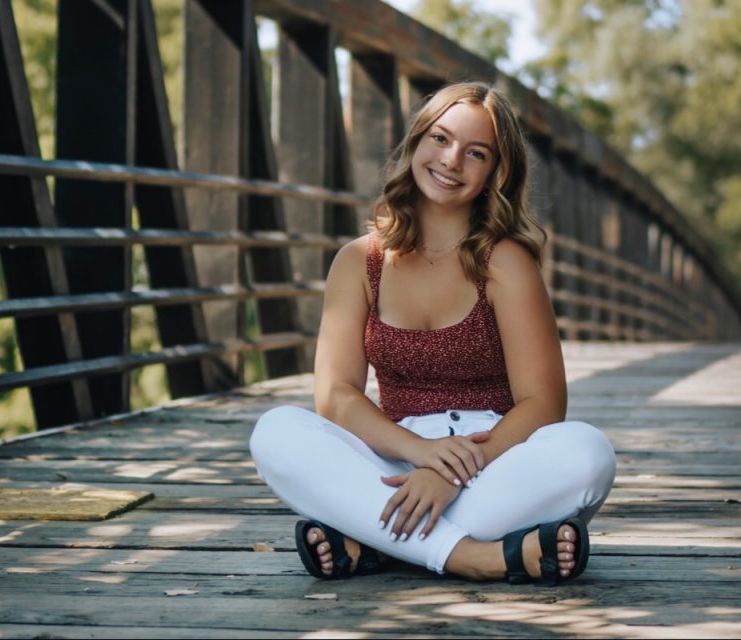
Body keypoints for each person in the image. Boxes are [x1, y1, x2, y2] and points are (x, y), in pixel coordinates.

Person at [250, 81, 616, 585]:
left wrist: (451, 471)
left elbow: (544, 404)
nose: (452, 161)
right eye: (440, 139)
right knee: (275, 433)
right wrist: (419, 454)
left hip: (492, 461)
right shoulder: (359, 262)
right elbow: (335, 397)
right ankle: (479, 557)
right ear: (417, 142)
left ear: (494, 173)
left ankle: (376, 543)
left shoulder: (505, 262)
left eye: (476, 153)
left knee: (586, 453)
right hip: (393, 457)